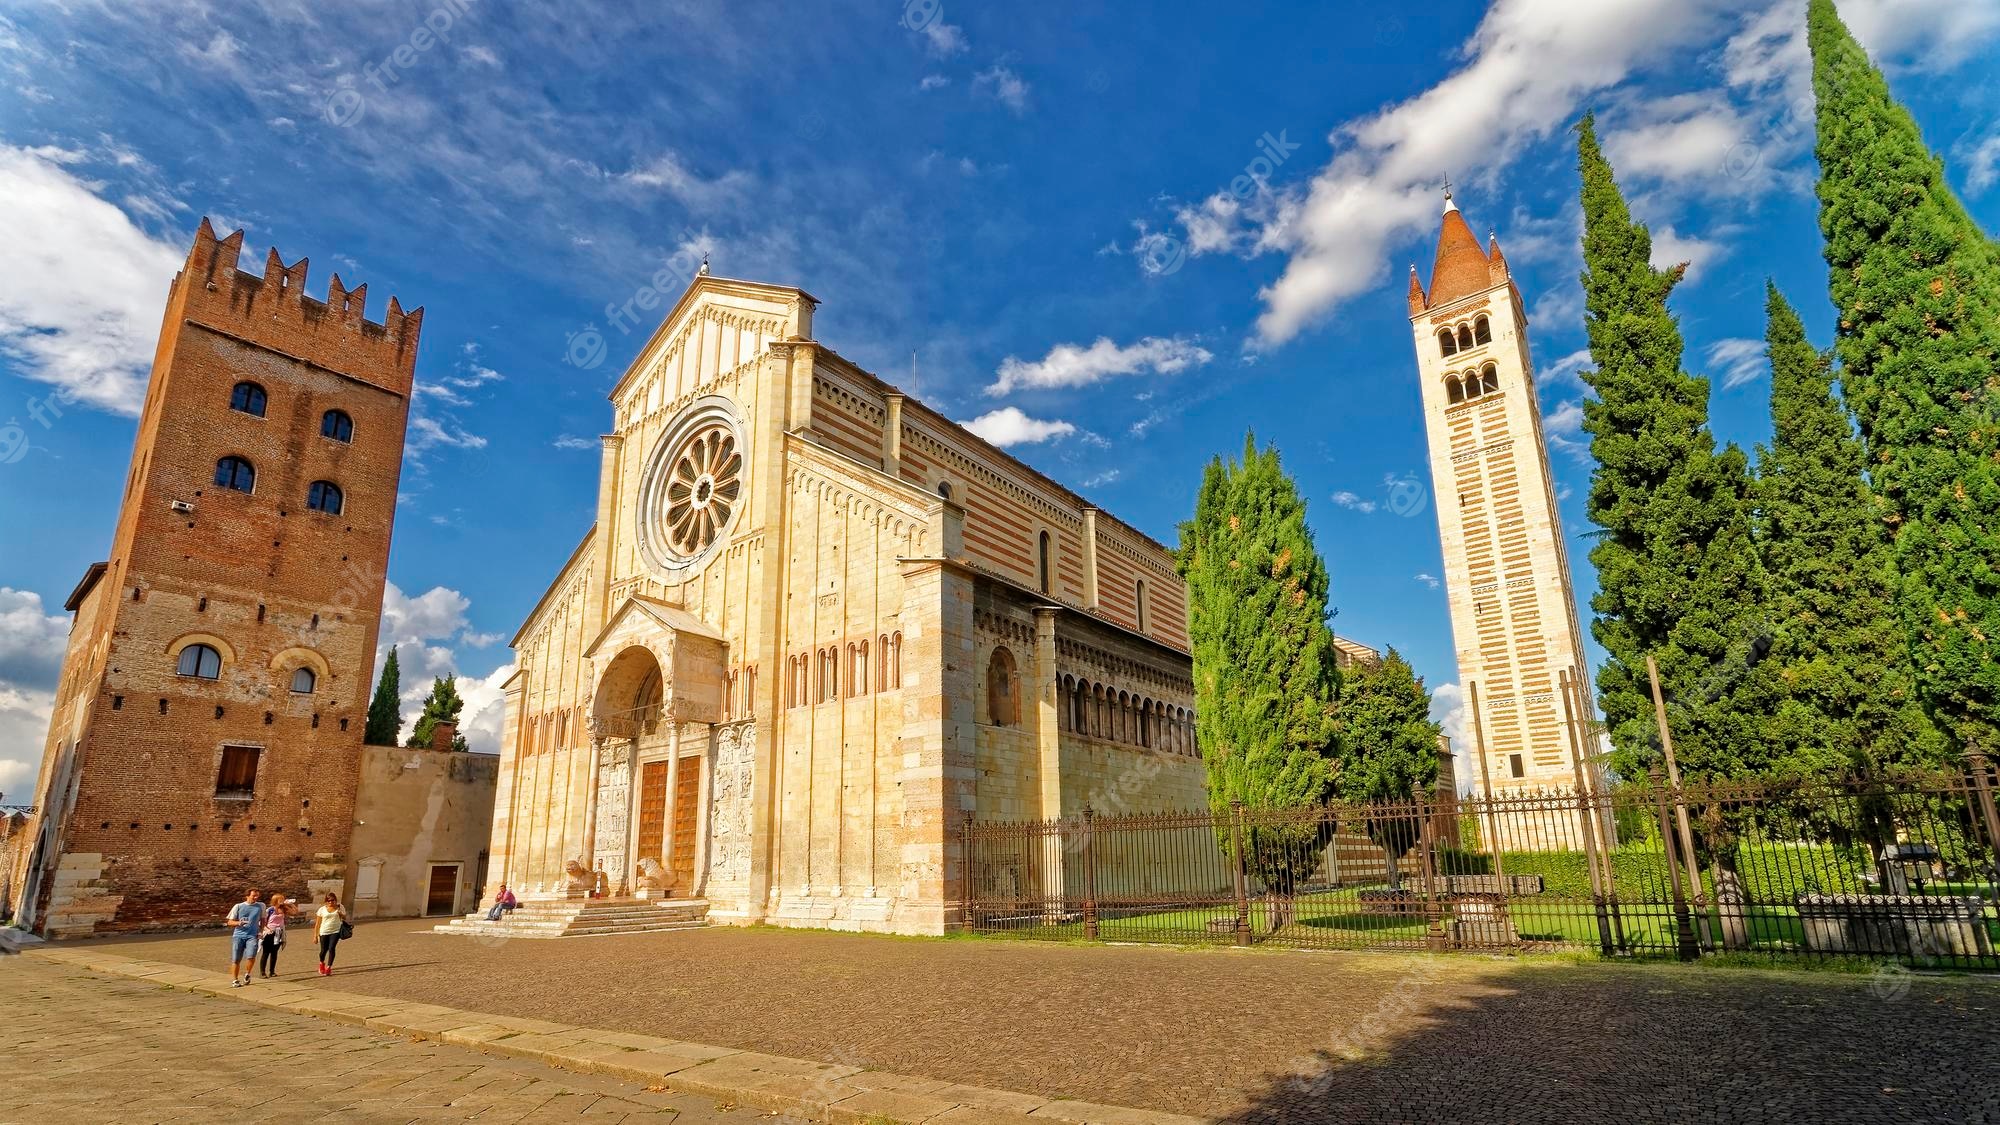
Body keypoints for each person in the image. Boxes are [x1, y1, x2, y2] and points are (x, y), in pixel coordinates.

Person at [224, 889, 266, 987]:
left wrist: (261, 931)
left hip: (252, 935)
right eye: (254, 896)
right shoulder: (238, 906)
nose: (256, 898)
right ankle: (235, 980)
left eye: (257, 896)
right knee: (236, 959)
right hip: (238, 935)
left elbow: (263, 919)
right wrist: (239, 923)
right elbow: (229, 922)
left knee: (251, 956)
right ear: (247, 896)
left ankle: (247, 973)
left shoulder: (261, 906)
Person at [257, 893, 294, 978]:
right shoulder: (269, 910)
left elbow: (294, 912)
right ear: (275, 900)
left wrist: (290, 904)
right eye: (280, 899)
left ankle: (272, 971)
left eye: (283, 899)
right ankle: (262, 972)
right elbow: (262, 922)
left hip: (279, 933)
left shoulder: (283, 909)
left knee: (274, 953)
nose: (282, 901)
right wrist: (267, 929)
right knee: (266, 952)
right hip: (269, 932)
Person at [314, 892, 349, 977]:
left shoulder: (340, 907)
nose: (330, 902)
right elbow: (317, 924)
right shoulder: (322, 909)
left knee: (331, 948)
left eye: (332, 900)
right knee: (323, 951)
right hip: (324, 931)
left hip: (335, 931)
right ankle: (321, 963)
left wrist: (340, 913)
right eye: (328, 901)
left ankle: (329, 967)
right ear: (326, 901)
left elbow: (345, 917)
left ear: (335, 900)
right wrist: (315, 935)